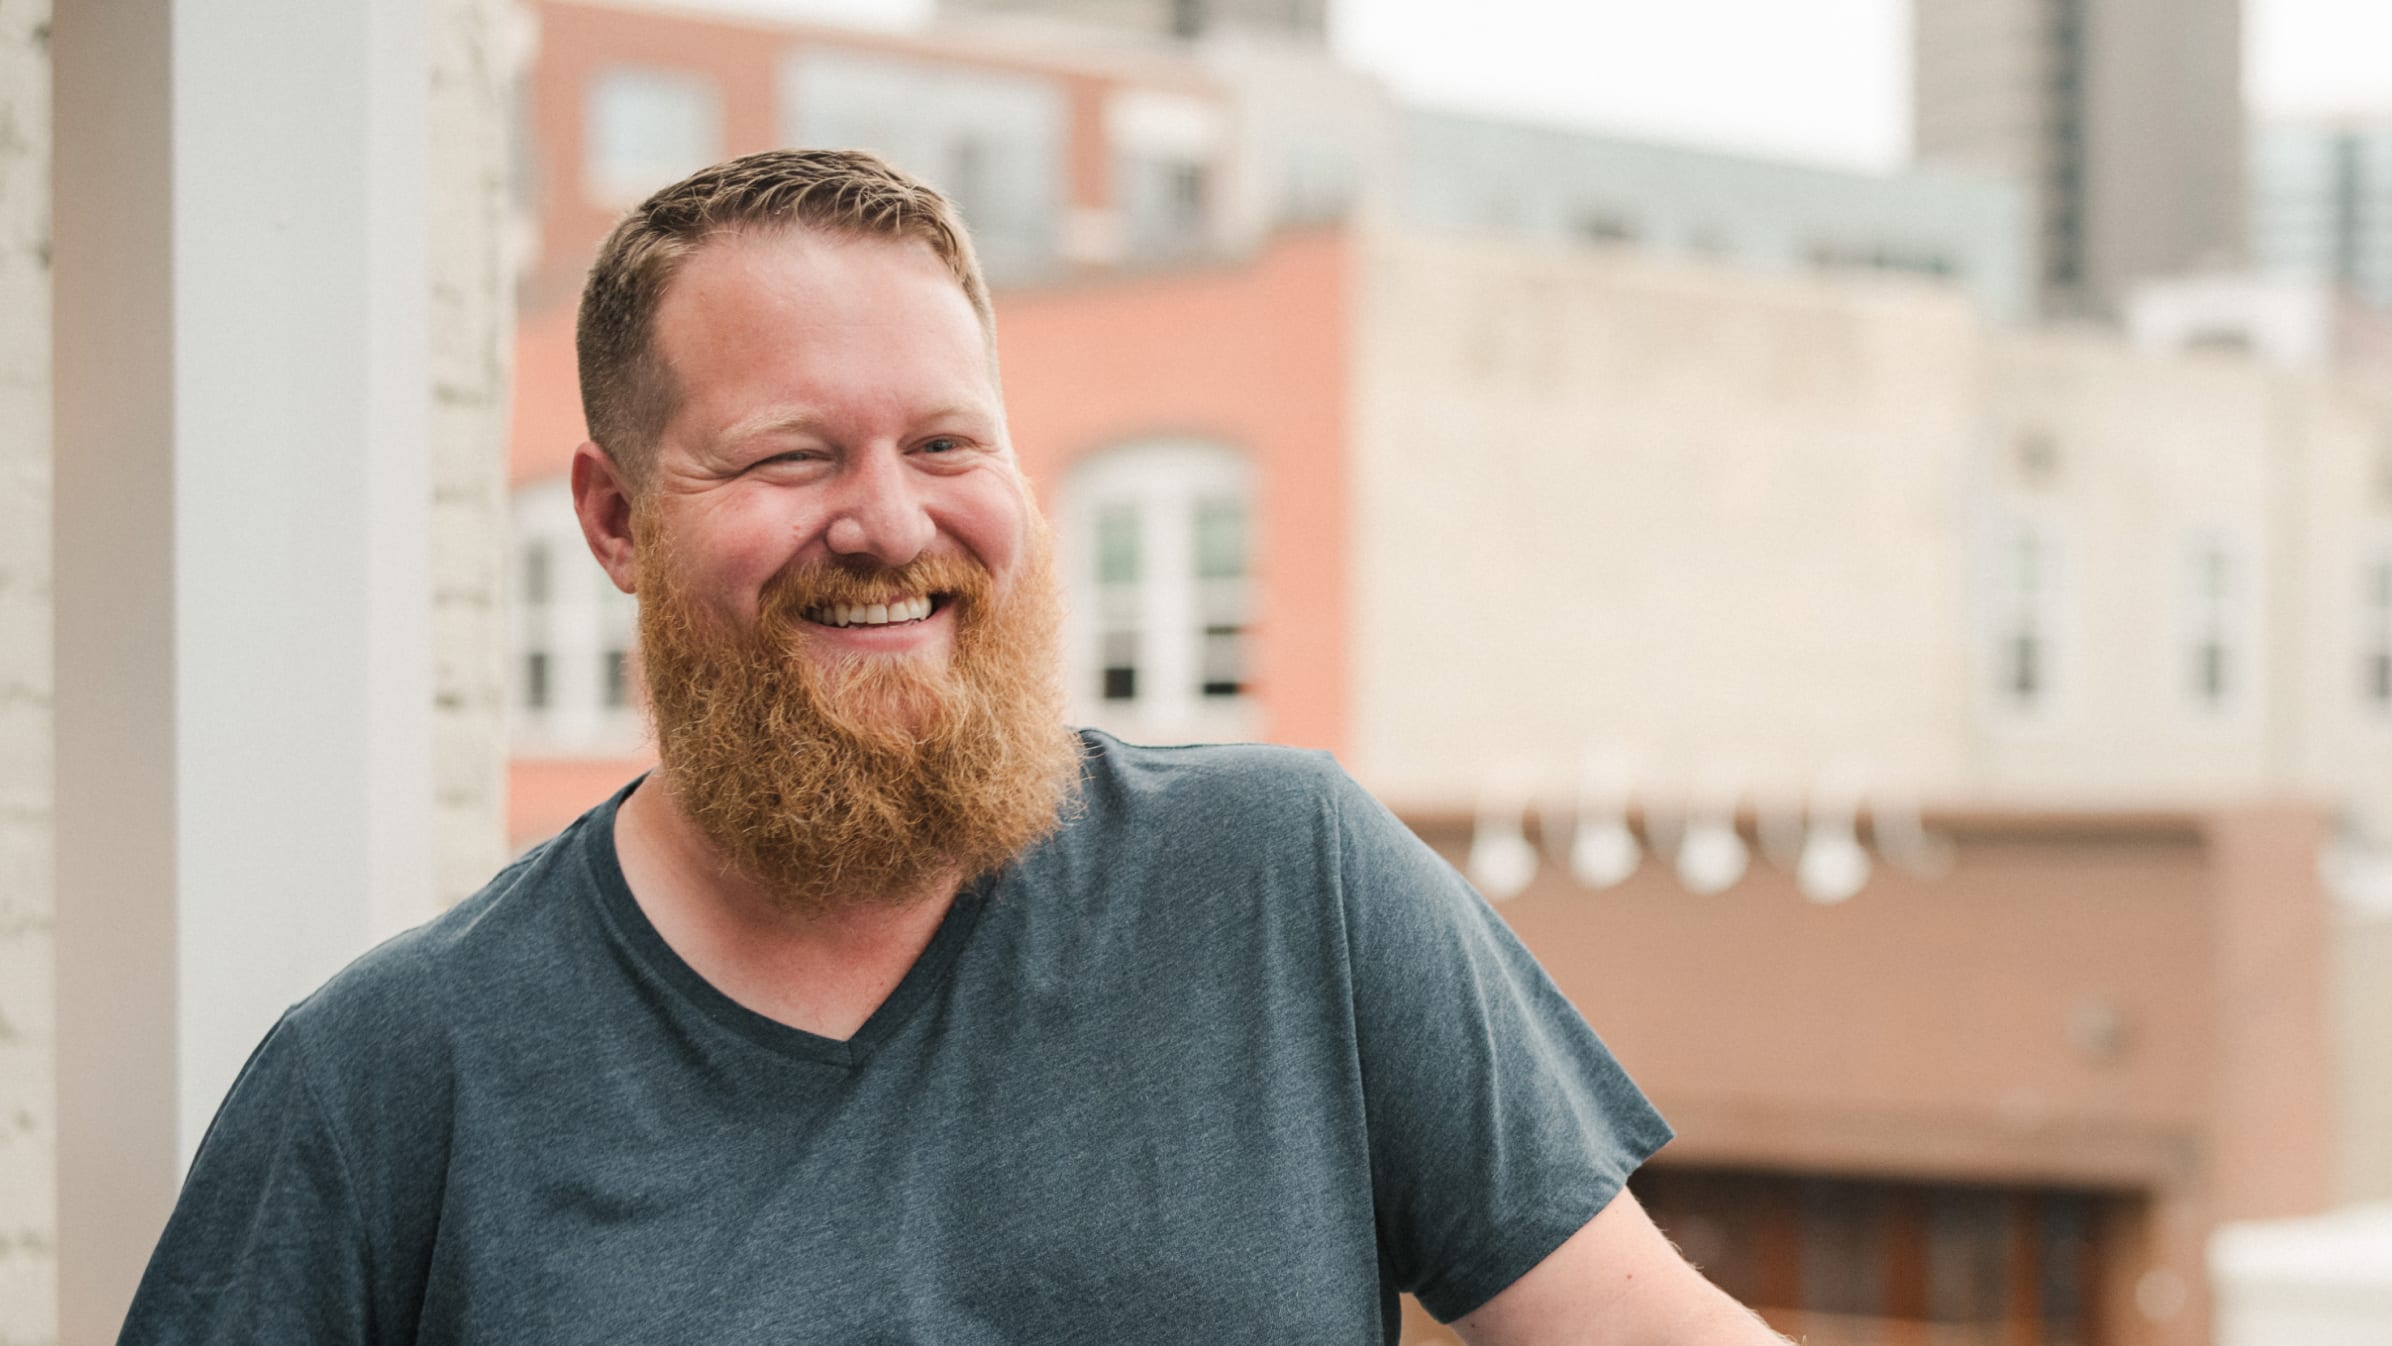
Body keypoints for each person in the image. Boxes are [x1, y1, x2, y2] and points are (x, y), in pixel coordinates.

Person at [120, 149, 1786, 1345]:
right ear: (616, 518)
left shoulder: (1285, 885)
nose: (889, 520)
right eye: (790, 455)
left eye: (944, 441)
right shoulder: (393, 1077)